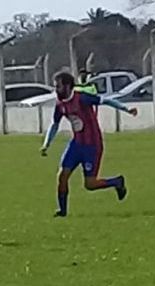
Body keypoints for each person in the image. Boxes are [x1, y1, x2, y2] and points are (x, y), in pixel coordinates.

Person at [41, 71, 137, 217]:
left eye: (58, 87)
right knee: (62, 176)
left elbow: (105, 100)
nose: (56, 90)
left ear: (67, 86)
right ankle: (63, 211)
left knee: (90, 184)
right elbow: (55, 124)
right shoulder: (60, 104)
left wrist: (126, 109)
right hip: (76, 144)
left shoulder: (82, 98)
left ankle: (117, 182)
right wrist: (47, 143)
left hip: (92, 145)